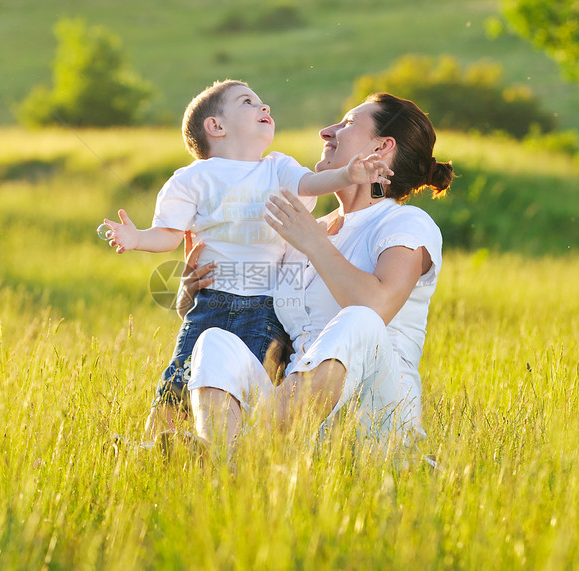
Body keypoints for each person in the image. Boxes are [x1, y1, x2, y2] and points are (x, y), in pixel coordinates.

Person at [99, 80, 393, 435]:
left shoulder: (278, 168)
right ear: (216, 126)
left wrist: (348, 174)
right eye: (248, 102)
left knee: (247, 385)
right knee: (179, 381)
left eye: (262, 102)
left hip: (265, 308)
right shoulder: (192, 179)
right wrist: (137, 238)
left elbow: (313, 184)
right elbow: (170, 236)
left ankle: (229, 449)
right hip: (209, 304)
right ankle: (150, 448)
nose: (264, 107)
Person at [182, 92, 454, 449]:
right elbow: (258, 321)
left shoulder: (405, 222)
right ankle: (225, 456)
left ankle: (242, 454)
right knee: (216, 342)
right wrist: (192, 298)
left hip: (374, 419)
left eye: (348, 123)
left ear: (382, 147)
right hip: (299, 423)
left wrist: (314, 242)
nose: (327, 131)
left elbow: (377, 306)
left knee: (360, 320)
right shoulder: (305, 231)